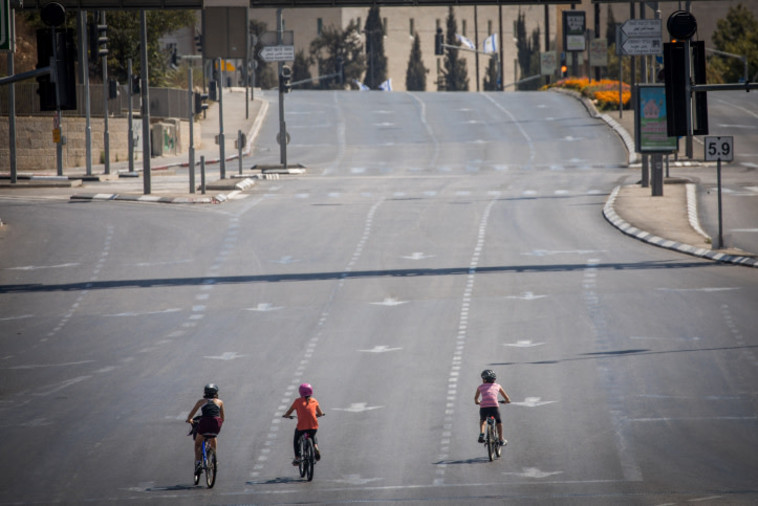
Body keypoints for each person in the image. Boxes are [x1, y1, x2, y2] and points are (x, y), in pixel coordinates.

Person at [186, 383, 225, 475]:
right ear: (216, 393)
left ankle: (198, 463)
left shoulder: (201, 402)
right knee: (213, 436)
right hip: (215, 426)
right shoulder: (220, 402)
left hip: (204, 424)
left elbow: (190, 415)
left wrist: (190, 420)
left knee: (198, 444)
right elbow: (222, 417)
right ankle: (214, 459)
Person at [283, 383, 325, 466]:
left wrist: (286, 415)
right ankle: (315, 446)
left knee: (296, 440)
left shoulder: (297, 401)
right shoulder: (314, 401)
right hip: (313, 426)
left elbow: (289, 411)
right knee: (313, 436)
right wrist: (320, 414)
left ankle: (297, 458)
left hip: (301, 427)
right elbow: (320, 413)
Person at [474, 369, 510, 446]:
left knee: (483, 420)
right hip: (494, 406)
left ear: (485, 379)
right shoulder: (498, 386)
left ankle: (481, 434)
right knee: (498, 421)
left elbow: (476, 399)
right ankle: (500, 439)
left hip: (484, 407)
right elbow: (507, 398)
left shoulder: (480, 387)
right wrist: (506, 401)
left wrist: (477, 402)